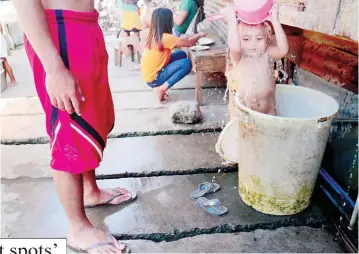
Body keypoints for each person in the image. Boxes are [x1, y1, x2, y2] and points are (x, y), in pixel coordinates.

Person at [12, 0, 136, 253]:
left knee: (93, 121)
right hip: (58, 30)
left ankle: (90, 191)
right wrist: (54, 67)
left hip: (84, 25)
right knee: (69, 127)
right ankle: (77, 227)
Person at [222, 4, 288, 115]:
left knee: (271, 132)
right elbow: (235, 47)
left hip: (269, 110)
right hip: (244, 112)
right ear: (238, 39)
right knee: (242, 132)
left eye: (259, 38)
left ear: (267, 38)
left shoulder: (267, 53)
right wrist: (232, 20)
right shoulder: (239, 57)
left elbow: (283, 50)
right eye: (246, 39)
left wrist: (275, 21)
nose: (253, 44)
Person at [140, 8, 206, 103]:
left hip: (149, 74)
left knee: (182, 54)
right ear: (167, 22)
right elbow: (189, 43)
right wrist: (199, 35)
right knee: (186, 64)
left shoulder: (153, 33)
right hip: (154, 78)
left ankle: (160, 85)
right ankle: (162, 88)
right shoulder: (166, 38)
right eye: (172, 18)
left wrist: (183, 39)